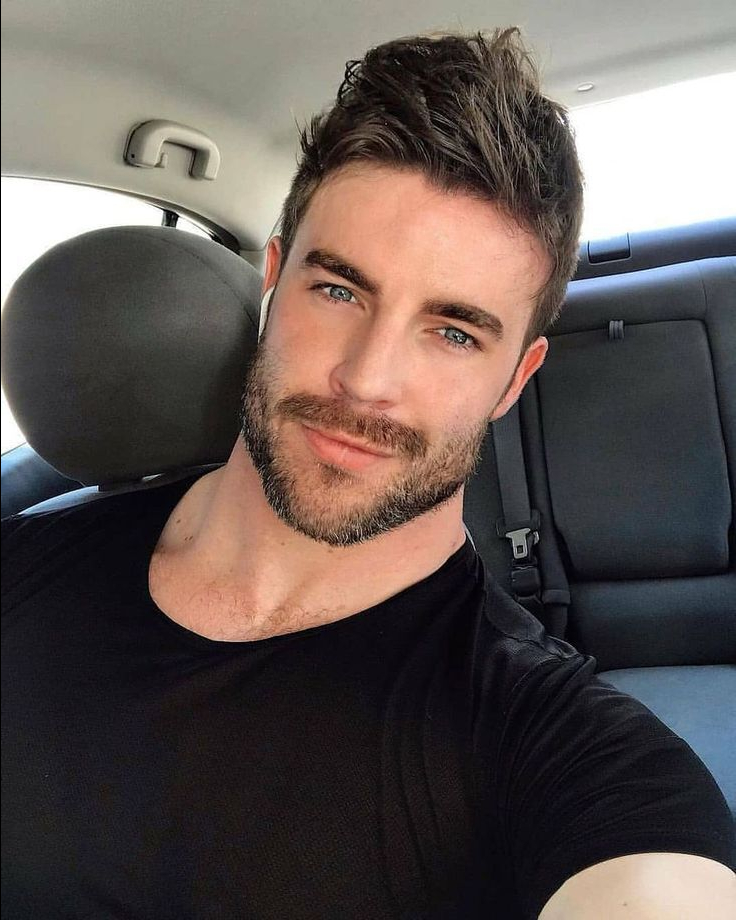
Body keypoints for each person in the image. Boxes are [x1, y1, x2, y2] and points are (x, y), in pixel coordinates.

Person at [2, 28, 734, 920]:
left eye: (453, 332)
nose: (367, 379)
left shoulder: (557, 744)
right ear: (274, 283)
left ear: (516, 379)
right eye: (339, 290)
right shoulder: (21, 563)